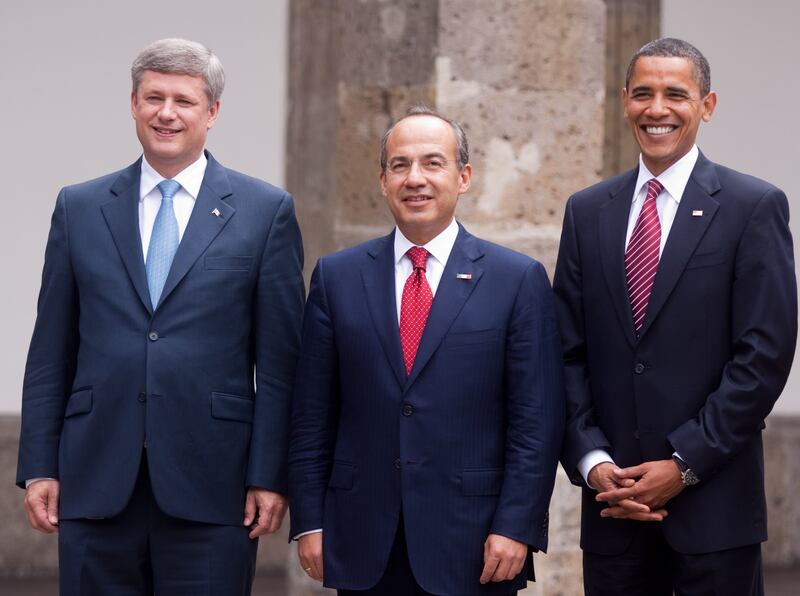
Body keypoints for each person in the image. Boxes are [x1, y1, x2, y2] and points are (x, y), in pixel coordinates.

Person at [16, 38, 305, 595]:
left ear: (212, 112)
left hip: (214, 483)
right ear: (133, 104)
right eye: (153, 97)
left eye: (184, 101)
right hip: (95, 478)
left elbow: (279, 365)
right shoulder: (79, 207)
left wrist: (270, 474)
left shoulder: (265, 212)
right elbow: (50, 350)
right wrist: (40, 465)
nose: (166, 113)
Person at [554, 37, 797, 596]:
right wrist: (592, 460)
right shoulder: (587, 211)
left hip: (714, 517)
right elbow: (564, 350)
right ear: (624, 102)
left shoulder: (752, 206)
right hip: (613, 514)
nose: (656, 109)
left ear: (706, 105)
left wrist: (683, 463)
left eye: (675, 94)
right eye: (643, 94)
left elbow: (762, 356)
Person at [288, 106, 564, 595]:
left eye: (433, 163)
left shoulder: (515, 280)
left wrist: (516, 525)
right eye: (400, 165)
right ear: (382, 180)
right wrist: (309, 521)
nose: (415, 178)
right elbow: (312, 415)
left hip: (476, 541)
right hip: (363, 538)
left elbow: (536, 423)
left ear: (464, 177)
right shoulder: (337, 278)